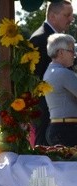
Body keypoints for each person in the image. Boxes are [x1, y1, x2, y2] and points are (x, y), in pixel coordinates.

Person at [29, 0, 74, 146]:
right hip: (48, 114)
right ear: (53, 16)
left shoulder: (55, 39)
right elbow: (37, 80)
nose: (71, 19)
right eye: (67, 15)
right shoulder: (41, 39)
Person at [43, 33, 77, 147]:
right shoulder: (63, 73)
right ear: (61, 52)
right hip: (68, 130)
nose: (74, 54)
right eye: (72, 50)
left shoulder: (50, 71)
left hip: (59, 128)